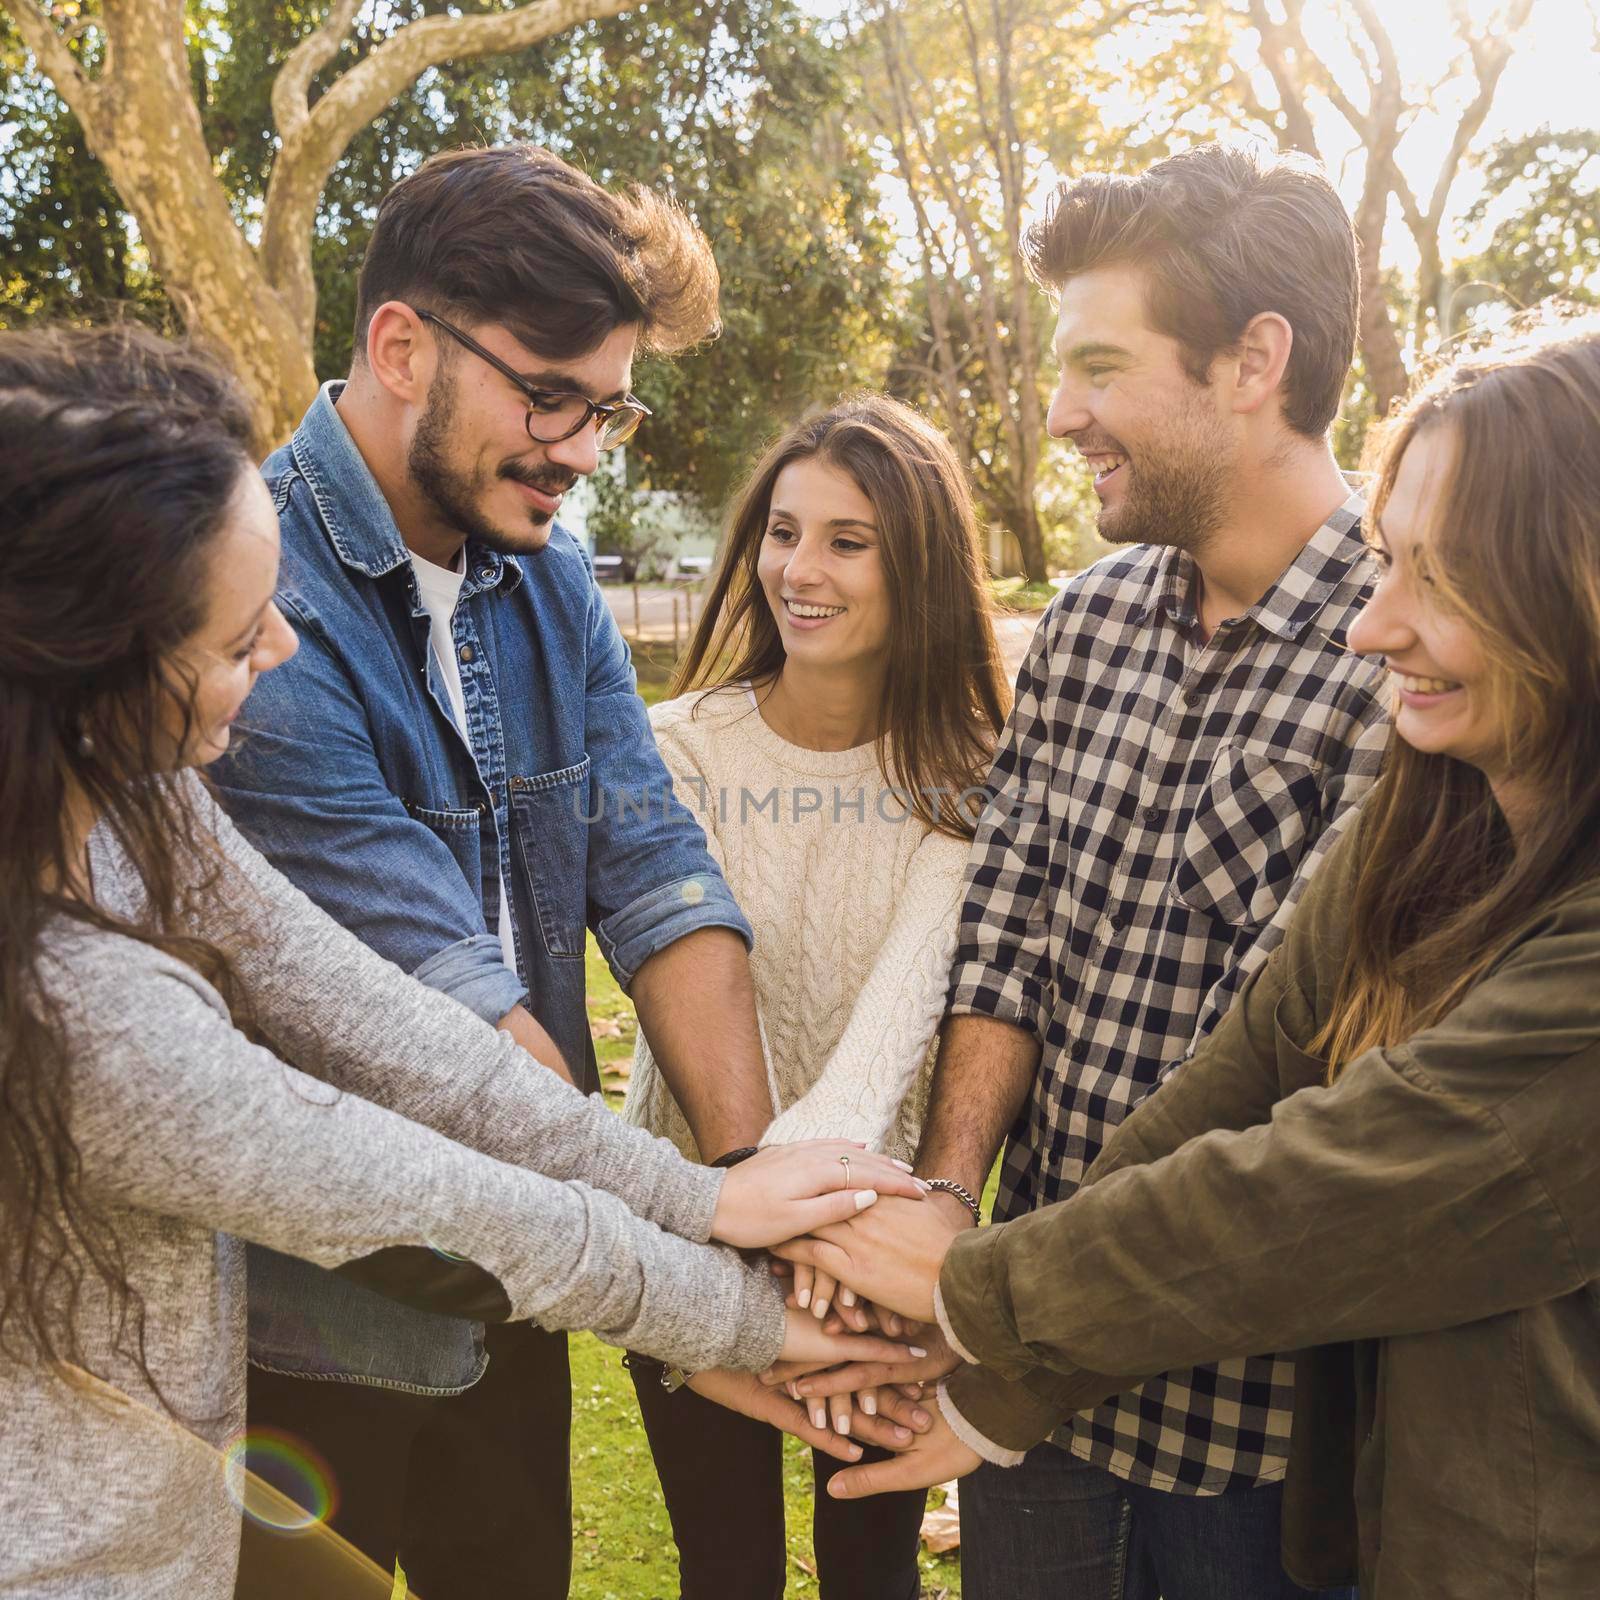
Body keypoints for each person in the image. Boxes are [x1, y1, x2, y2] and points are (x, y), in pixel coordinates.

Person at [0, 322, 928, 1598]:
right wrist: (750, 1318)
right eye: (232, 640)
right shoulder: (75, 1011)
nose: (277, 654)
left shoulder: (133, 800)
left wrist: (709, 1200)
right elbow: (412, 1188)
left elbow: (387, 1024)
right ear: (87, 664)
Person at [772, 312, 1600, 1600]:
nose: (1373, 629)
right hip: (1402, 1513)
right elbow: (1243, 1064)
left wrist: (973, 1281)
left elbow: (1320, 1183)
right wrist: (1000, 1353)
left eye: (1440, 578)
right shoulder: (1443, 812)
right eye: (1390, 564)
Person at [787, 143, 1389, 1599]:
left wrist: (998, 1317)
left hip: (1255, 1433)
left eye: (1099, 366)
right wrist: (944, 1197)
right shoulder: (1089, 621)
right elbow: (1008, 930)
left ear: (1255, 361)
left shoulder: (1406, 657)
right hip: (1029, 1409)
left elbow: (1280, 1063)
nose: (1061, 416)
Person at [208, 145, 782, 1595]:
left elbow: (653, 867)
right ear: (403, 345)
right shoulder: (257, 596)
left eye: (609, 410)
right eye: (548, 397)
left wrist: (754, 1181)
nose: (583, 449)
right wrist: (714, 1270)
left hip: (518, 1270)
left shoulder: (552, 572)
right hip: (316, 1311)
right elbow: (444, 996)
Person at [620, 394, 1010, 1599]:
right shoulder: (675, 748)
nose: (799, 568)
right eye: (783, 532)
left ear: (921, 567)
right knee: (727, 1571)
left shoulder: (974, 777)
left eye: (848, 540)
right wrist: (766, 1217)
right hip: (689, 1229)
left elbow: (896, 1024)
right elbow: (685, 981)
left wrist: (828, 1238)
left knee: (871, 1567)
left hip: (876, 1262)